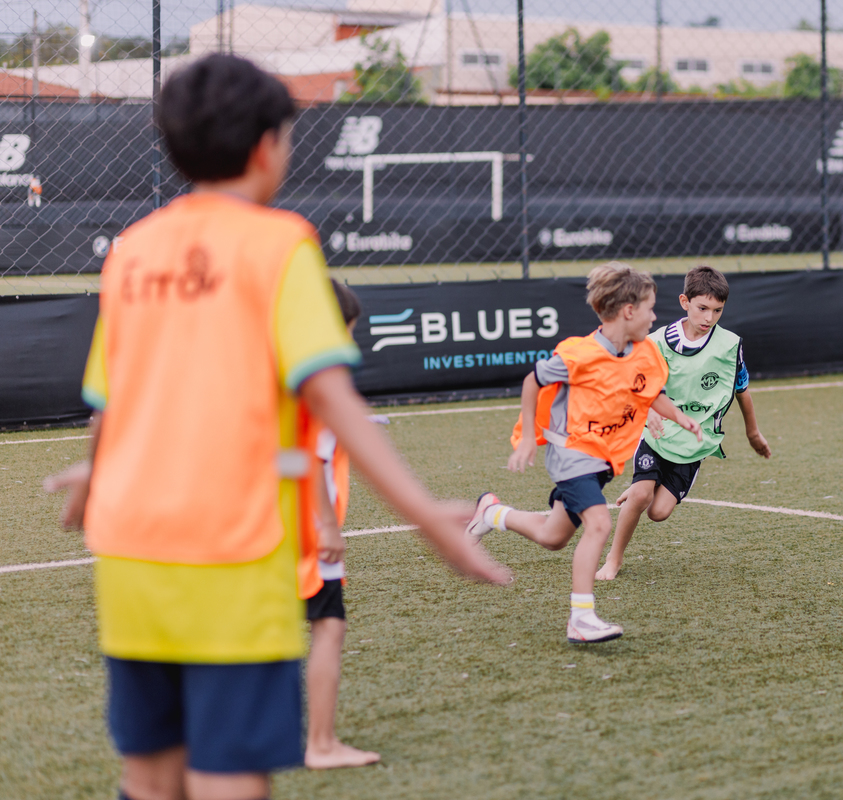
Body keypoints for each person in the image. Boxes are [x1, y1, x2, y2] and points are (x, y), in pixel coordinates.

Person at [44, 54, 507, 800]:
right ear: (268, 146)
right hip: (234, 548)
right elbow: (333, 400)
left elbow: (111, 399)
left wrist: (93, 481)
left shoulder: (133, 250)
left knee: (151, 778)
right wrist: (425, 516)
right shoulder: (281, 242)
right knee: (228, 777)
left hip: (130, 548)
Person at [466, 262, 702, 643]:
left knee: (553, 536)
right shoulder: (580, 355)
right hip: (571, 453)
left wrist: (678, 417)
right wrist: (527, 438)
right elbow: (532, 380)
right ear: (629, 311)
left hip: (601, 461)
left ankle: (491, 513)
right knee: (599, 524)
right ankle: (581, 618)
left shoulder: (645, 354)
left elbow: (651, 393)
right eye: (650, 308)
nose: (655, 317)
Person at [597, 266, 771, 581]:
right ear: (684, 302)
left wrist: (753, 432)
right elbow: (635, 387)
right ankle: (613, 559)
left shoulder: (730, 346)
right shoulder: (656, 342)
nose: (709, 317)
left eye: (717, 310)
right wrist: (648, 411)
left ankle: (641, 486)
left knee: (658, 512)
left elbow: (741, 390)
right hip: (656, 433)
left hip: (694, 442)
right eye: (702, 308)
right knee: (641, 496)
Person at [295, 280, 380, 770]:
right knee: (328, 627)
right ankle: (321, 744)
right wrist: (327, 525)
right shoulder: (324, 385)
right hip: (307, 534)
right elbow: (310, 459)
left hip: (258, 528)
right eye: (348, 330)